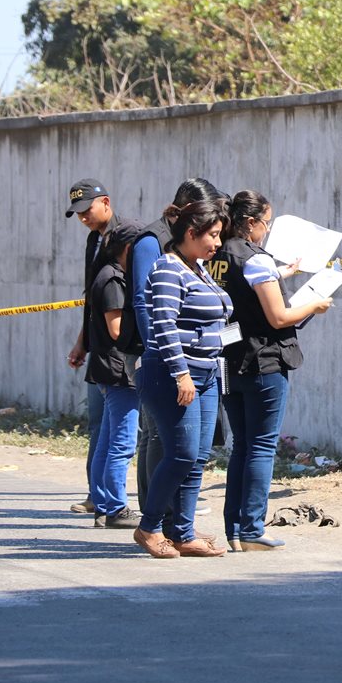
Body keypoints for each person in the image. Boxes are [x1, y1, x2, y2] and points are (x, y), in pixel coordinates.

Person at [210, 190, 330, 552]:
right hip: (263, 361)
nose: (267, 229)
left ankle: (234, 527)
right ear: (250, 223)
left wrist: (283, 272)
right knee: (262, 446)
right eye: (266, 223)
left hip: (229, 360)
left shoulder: (218, 254)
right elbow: (278, 316)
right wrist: (314, 304)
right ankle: (251, 529)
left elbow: (244, 288)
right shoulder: (256, 260)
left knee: (242, 446)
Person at [134, 199, 232, 559]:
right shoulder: (167, 269)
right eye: (213, 235)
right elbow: (163, 325)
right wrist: (181, 374)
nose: (218, 243)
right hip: (172, 375)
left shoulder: (198, 268)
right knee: (181, 454)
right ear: (190, 234)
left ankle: (182, 532)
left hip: (206, 374)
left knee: (197, 457)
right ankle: (149, 528)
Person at [64, 178, 125, 514]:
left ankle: (111, 501)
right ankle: (97, 495)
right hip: (99, 345)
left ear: (105, 202)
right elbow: (92, 299)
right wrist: (81, 343)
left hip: (122, 349)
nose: (84, 217)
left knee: (123, 430)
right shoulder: (93, 241)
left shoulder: (127, 238)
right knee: (99, 424)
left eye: (87, 209)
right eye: (77, 213)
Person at [85, 221, 144, 529]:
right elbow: (117, 329)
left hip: (111, 368)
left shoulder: (110, 275)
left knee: (108, 442)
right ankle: (116, 508)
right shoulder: (113, 280)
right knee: (121, 443)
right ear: (129, 248)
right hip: (118, 369)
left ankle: (104, 504)